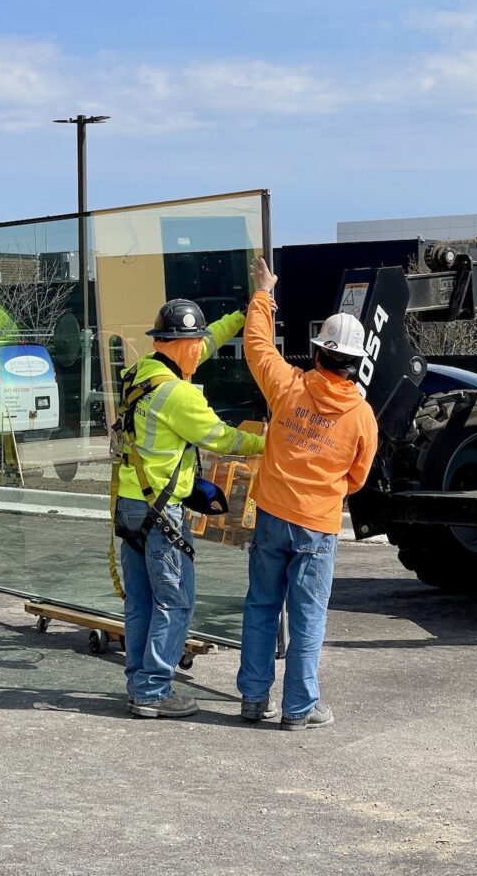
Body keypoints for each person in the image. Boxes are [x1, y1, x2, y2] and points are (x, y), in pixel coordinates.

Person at [237, 257, 378, 730]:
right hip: (317, 526)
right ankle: (299, 708)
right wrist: (326, 492)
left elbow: (257, 346)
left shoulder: (288, 388)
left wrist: (264, 293)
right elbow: (357, 478)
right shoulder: (362, 417)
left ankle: (254, 698)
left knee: (261, 606)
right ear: (356, 364)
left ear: (318, 354)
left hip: (272, 515)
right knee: (308, 616)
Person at [114, 298, 265, 719]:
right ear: (184, 345)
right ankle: (153, 691)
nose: (202, 349)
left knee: (142, 602)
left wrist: (243, 314)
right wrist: (270, 444)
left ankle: (139, 684)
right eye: (196, 342)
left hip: (131, 505)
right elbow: (223, 438)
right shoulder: (178, 395)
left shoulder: (140, 373)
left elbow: (207, 341)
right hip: (161, 513)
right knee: (175, 601)